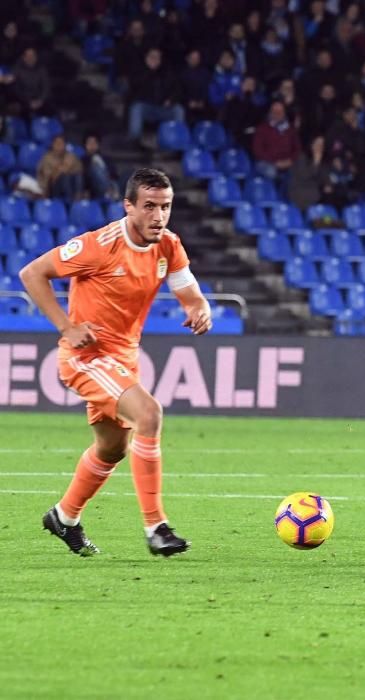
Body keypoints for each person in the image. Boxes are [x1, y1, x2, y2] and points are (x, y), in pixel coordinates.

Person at [18, 168, 212, 558]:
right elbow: (32, 273)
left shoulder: (169, 245)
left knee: (111, 449)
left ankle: (64, 517)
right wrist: (67, 326)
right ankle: (156, 527)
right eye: (150, 207)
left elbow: (189, 293)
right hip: (86, 357)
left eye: (166, 206)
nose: (159, 216)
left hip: (123, 358)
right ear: (129, 206)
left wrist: (200, 308)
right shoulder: (98, 245)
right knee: (149, 414)